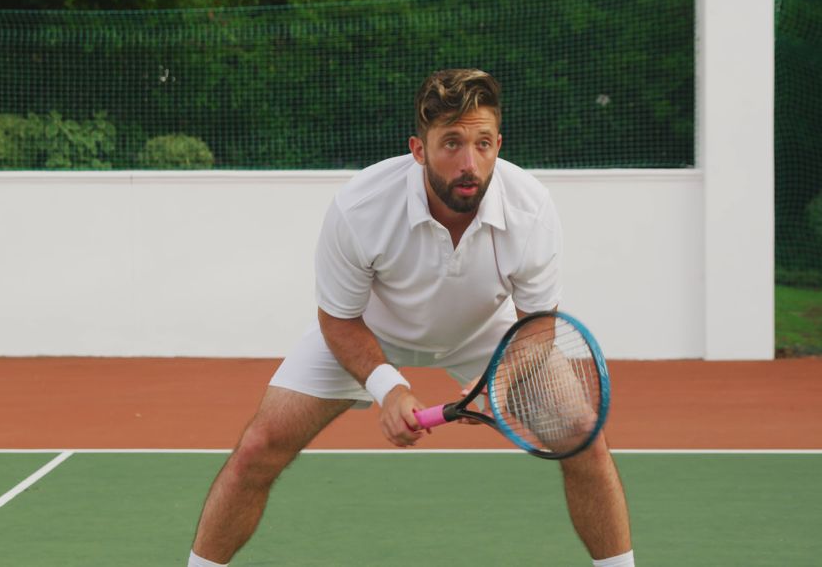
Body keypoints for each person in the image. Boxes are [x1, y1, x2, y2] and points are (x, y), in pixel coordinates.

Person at [189, 68, 634, 567]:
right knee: (258, 447)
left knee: (582, 435)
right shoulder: (361, 207)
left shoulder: (531, 209)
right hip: (370, 332)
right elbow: (338, 319)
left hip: (489, 336)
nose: (470, 163)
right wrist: (388, 387)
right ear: (418, 149)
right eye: (451, 144)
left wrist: (504, 382)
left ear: (499, 144)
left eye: (484, 144)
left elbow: (537, 325)